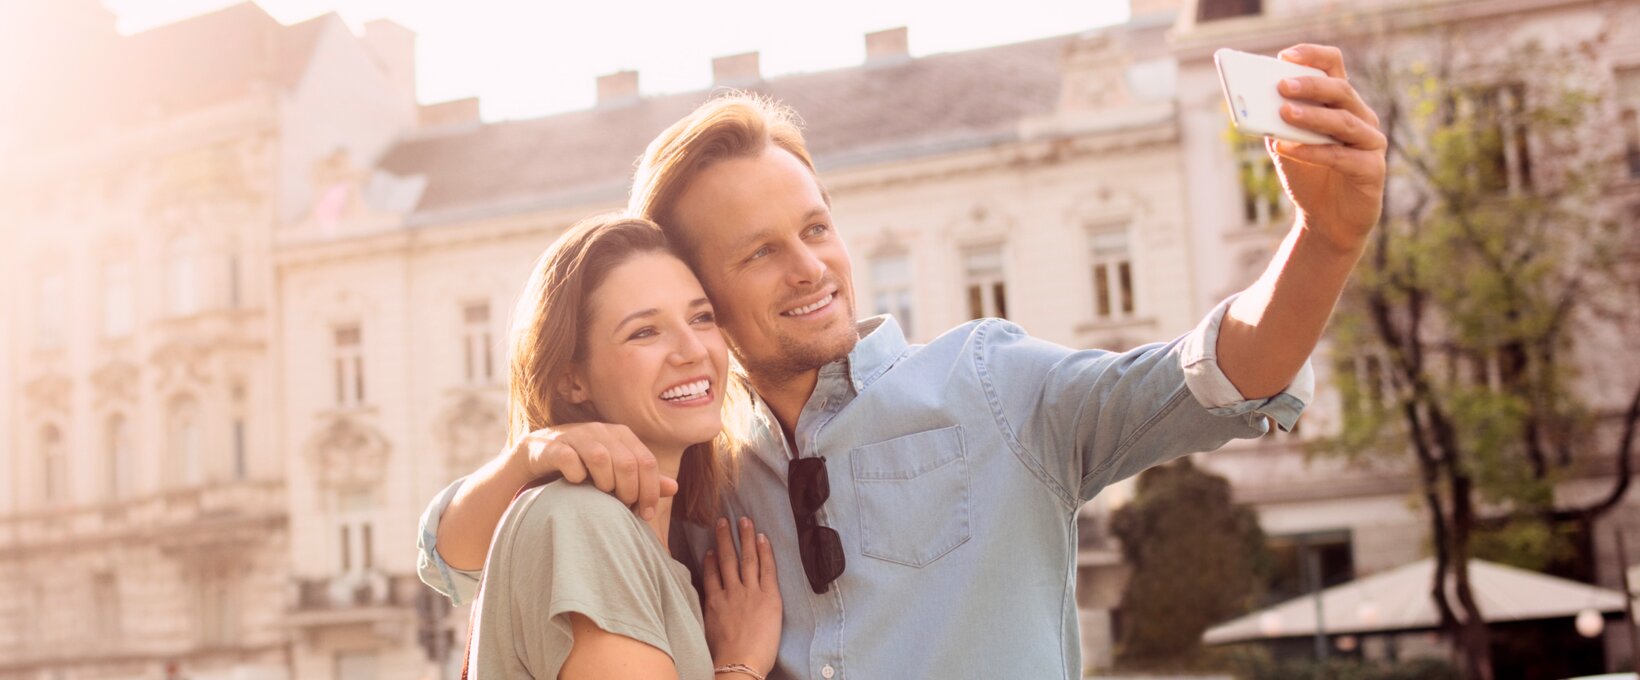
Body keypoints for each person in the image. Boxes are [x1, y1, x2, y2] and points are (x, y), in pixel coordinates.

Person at [418, 44, 1386, 680]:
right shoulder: (693, 476)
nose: (810, 267)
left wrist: (1322, 240)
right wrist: (536, 449)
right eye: (756, 252)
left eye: (814, 228)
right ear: (702, 292)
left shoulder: (995, 385)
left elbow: (1219, 372)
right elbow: (457, 556)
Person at [462, 214, 781, 679]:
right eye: (644, 332)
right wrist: (742, 662)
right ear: (571, 379)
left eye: (701, 317)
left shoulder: (641, 542)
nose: (692, 349)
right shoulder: (582, 523)